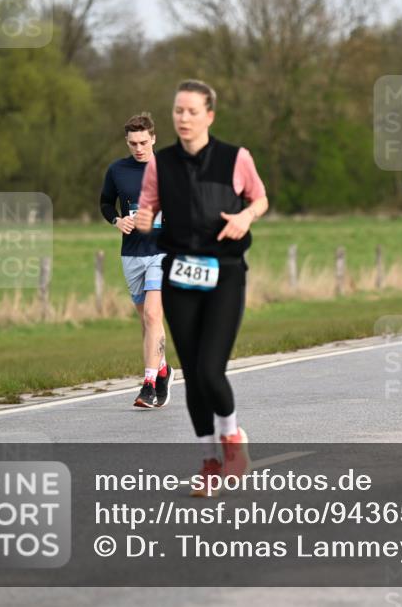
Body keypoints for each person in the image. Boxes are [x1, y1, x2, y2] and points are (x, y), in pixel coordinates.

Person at [136, 79, 268, 496]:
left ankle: (232, 440)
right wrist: (141, 217)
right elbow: (148, 204)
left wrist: (245, 218)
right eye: (178, 111)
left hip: (224, 270)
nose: (184, 118)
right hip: (178, 273)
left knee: (211, 368)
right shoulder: (162, 163)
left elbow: (260, 199)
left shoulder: (235, 157)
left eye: (192, 111)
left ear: (209, 115)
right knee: (193, 375)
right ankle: (210, 461)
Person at [99, 112, 173, 408]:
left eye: (143, 142)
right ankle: (164, 369)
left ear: (153, 138)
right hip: (132, 253)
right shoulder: (117, 170)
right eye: (133, 143)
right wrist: (117, 220)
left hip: (164, 252)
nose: (139, 148)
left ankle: (149, 385)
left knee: (154, 315)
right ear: (127, 142)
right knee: (147, 321)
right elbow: (105, 202)